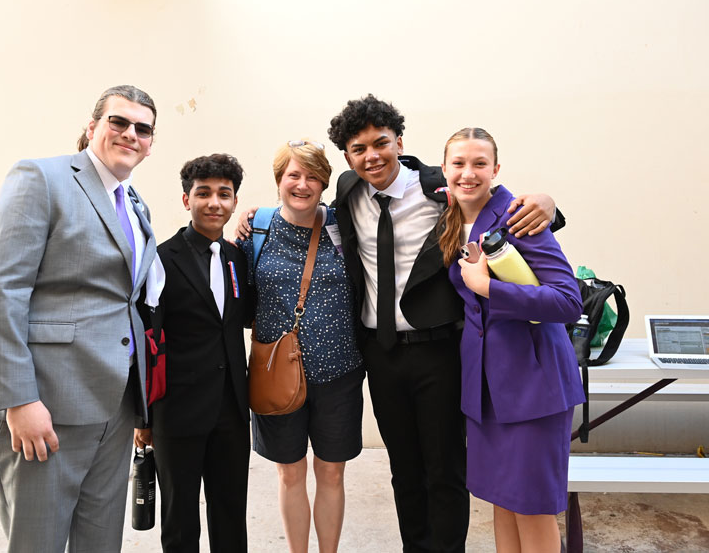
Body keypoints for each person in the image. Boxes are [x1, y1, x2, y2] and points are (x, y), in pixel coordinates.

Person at [327, 95, 562, 553]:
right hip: (381, 350)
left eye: (381, 143)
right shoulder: (347, 190)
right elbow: (306, 209)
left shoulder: (441, 184)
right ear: (348, 156)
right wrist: (252, 218)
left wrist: (550, 205)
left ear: (400, 141)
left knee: (445, 467)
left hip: (440, 349)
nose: (372, 155)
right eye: (359, 149)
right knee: (404, 468)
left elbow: (501, 204)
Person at [0, 85, 162, 552]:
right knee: (39, 540)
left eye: (143, 129)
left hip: (114, 402)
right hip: (45, 401)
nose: (131, 134)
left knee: (100, 540)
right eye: (119, 122)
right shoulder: (41, 178)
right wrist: (19, 398)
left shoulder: (134, 203)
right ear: (92, 128)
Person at [439, 127, 584, 552]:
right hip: (486, 391)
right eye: (459, 164)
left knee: (531, 507)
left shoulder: (519, 217)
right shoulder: (451, 214)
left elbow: (567, 301)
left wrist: (488, 288)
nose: (468, 173)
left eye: (480, 164)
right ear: (443, 169)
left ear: (496, 169)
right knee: (502, 502)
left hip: (532, 387)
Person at [237, 140, 365, 553]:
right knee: (290, 474)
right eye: (294, 175)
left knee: (331, 474)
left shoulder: (345, 226)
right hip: (276, 375)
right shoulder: (256, 231)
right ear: (278, 180)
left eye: (313, 176)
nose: (303, 184)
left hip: (339, 372)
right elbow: (243, 300)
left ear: (325, 182)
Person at [134, 154, 252, 552]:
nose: (214, 202)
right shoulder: (162, 259)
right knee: (180, 518)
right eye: (203, 193)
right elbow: (147, 339)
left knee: (231, 513)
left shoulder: (238, 258)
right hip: (177, 410)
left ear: (234, 201)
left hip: (232, 408)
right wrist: (142, 416)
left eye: (224, 194)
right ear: (187, 200)